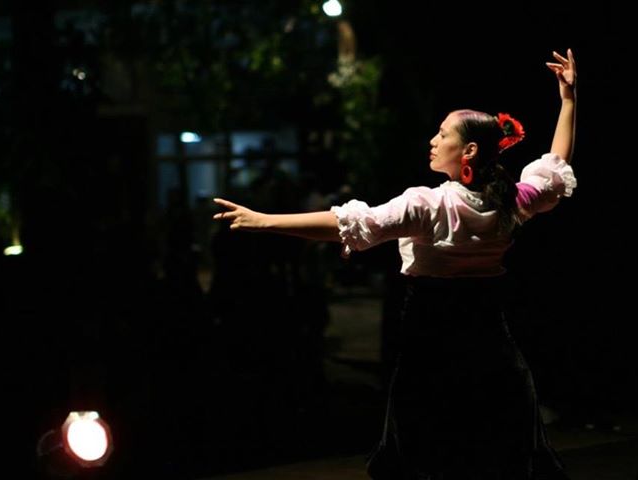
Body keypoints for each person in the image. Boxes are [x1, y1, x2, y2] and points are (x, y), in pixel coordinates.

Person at [213, 49, 577, 479]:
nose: (433, 140)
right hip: (490, 342)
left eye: (443, 135)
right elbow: (554, 169)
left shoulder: (428, 205)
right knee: (493, 445)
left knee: (430, 448)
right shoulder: (511, 202)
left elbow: (350, 223)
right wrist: (568, 100)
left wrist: (265, 220)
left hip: (433, 339)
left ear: (469, 151)